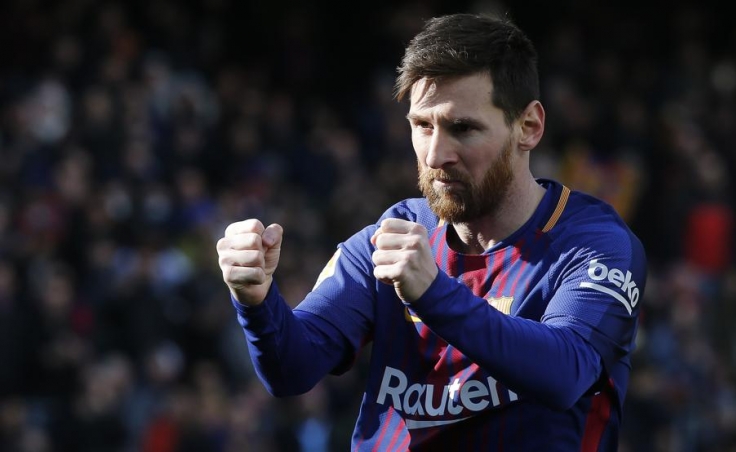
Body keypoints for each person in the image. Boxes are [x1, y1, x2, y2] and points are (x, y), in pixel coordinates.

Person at [216, 12, 647, 451]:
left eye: (463, 128)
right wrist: (257, 301)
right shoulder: (392, 236)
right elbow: (292, 370)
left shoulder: (594, 245)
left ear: (528, 127)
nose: (436, 155)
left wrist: (433, 294)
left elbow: (566, 373)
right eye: (423, 125)